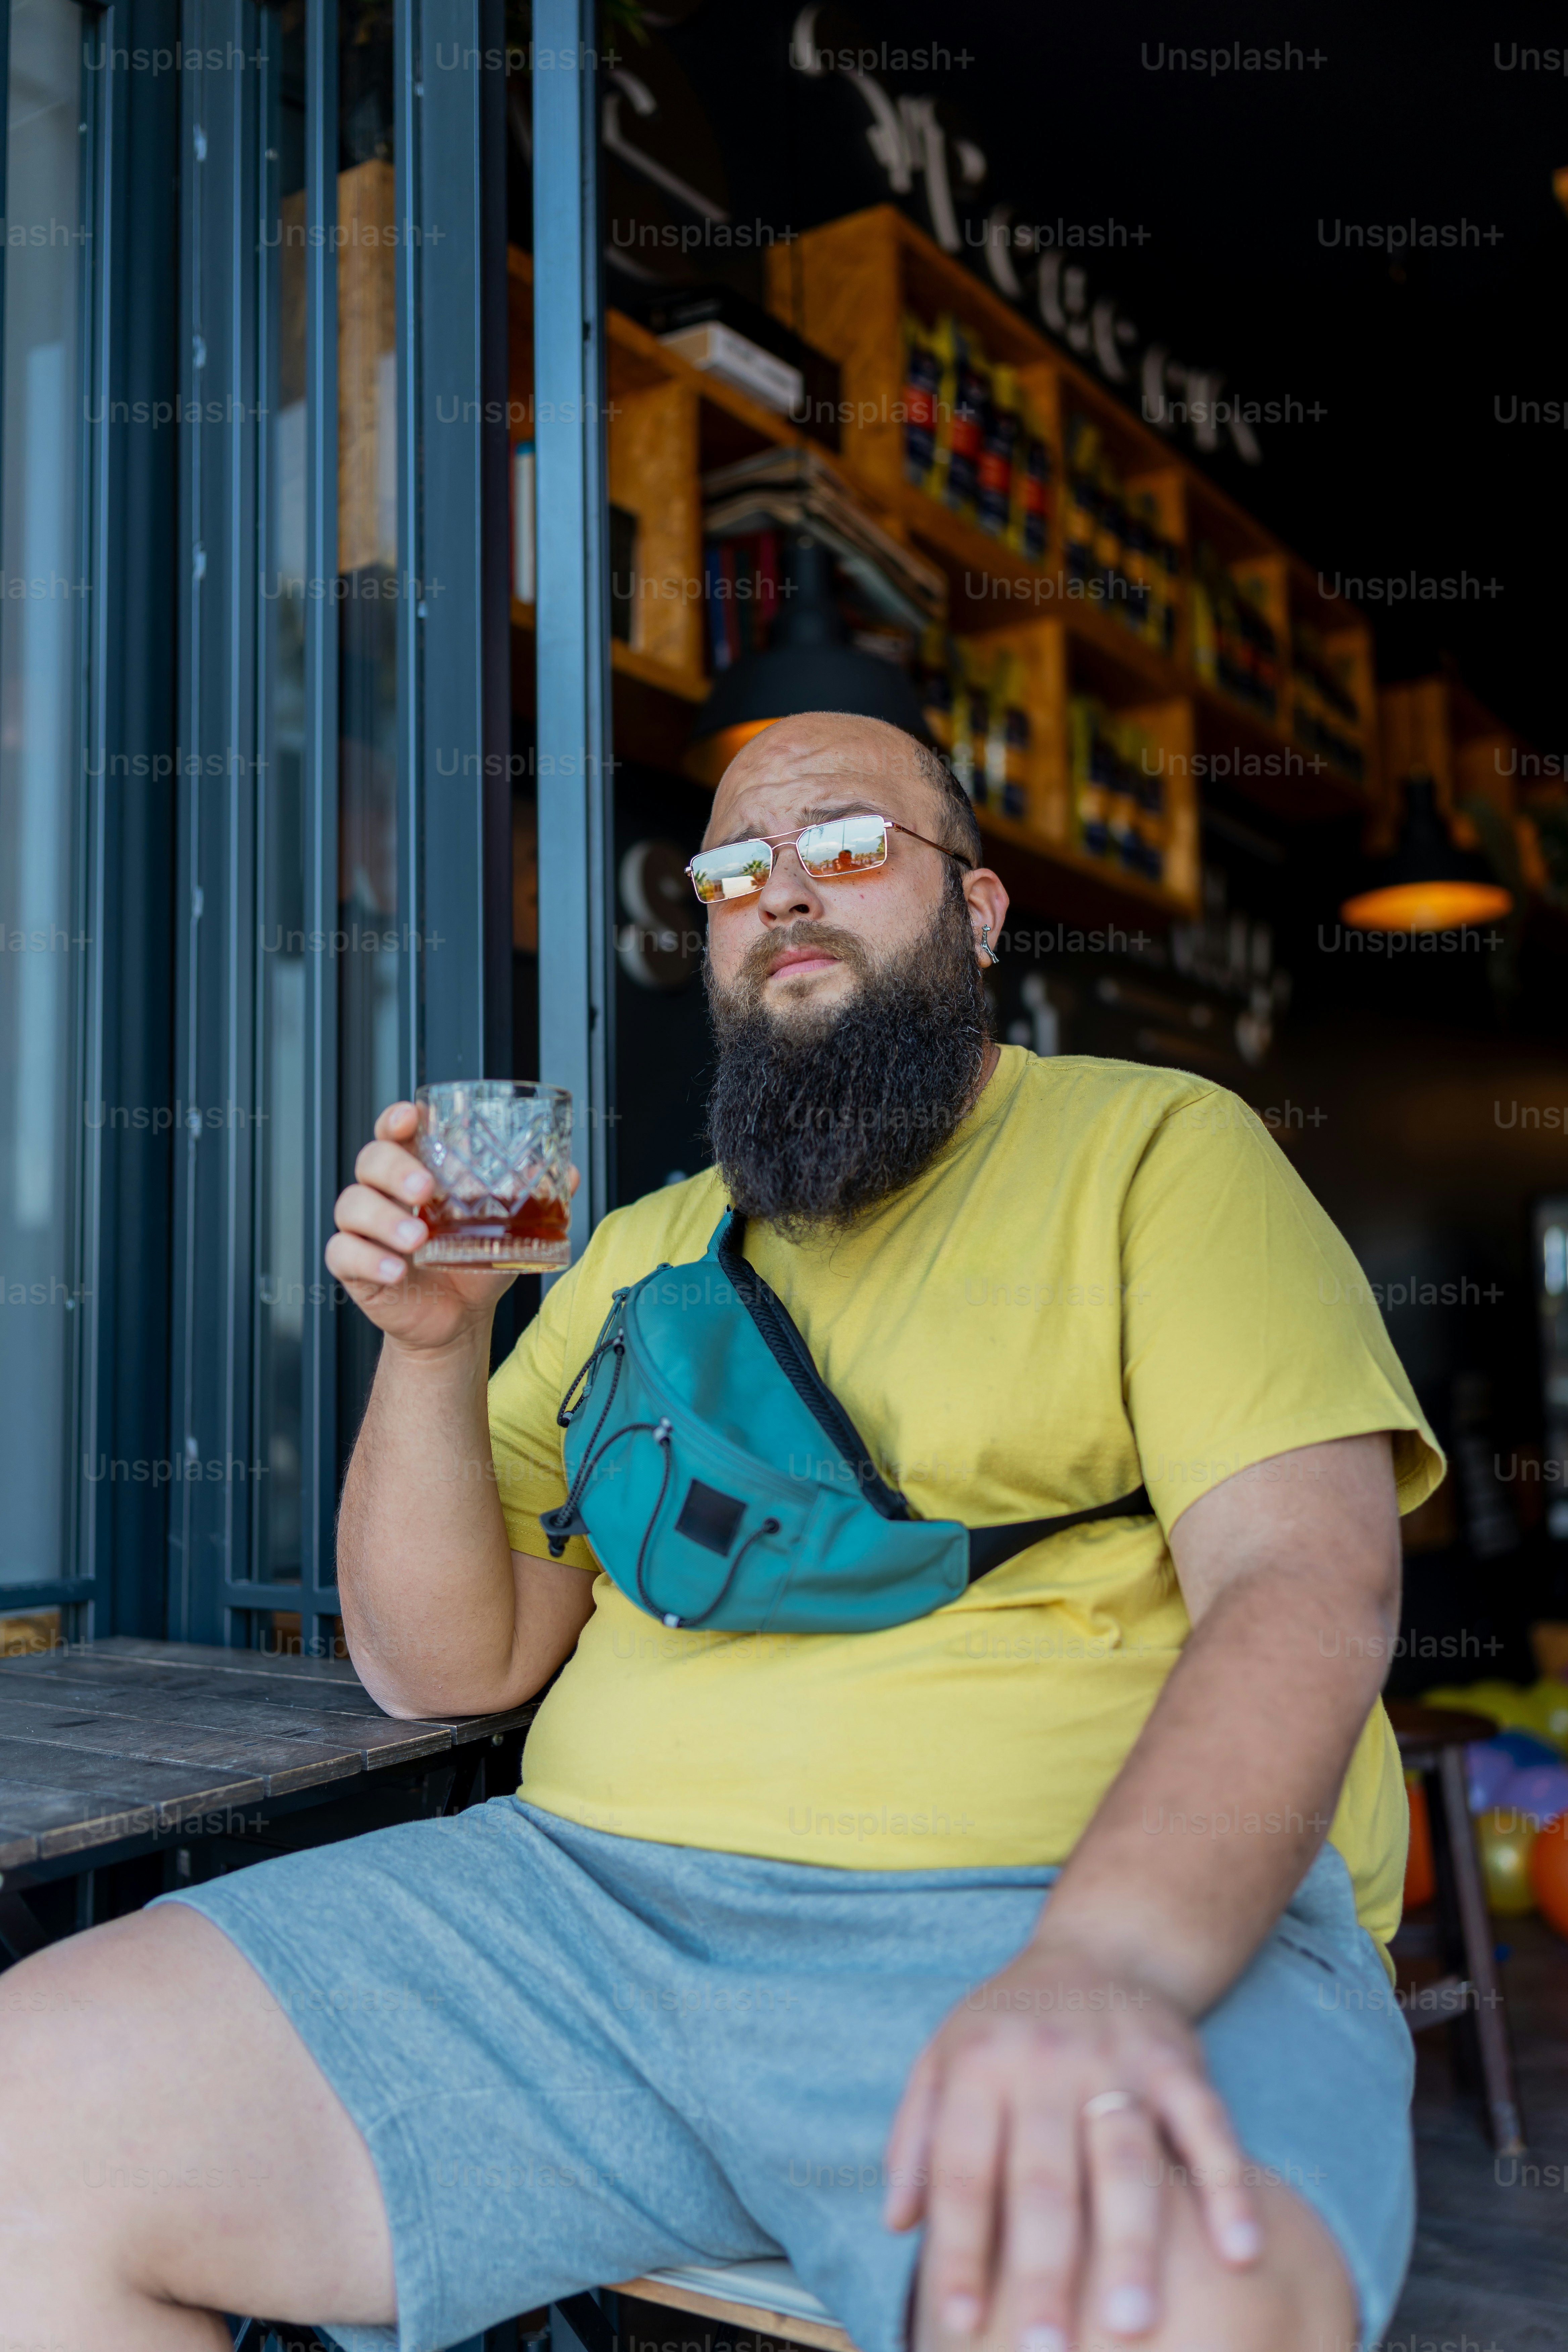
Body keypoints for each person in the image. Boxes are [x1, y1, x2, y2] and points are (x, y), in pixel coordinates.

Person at [0, 712, 1441, 2352]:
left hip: (1060, 1916)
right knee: (23, 2134)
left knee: (1168, 2308)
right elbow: (440, 1668)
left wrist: (1105, 1965)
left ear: (974, 913)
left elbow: (1309, 1584)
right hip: (584, 1930)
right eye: (737, 868)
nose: (785, 894)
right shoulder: (632, 1254)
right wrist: (428, 1345)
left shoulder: (1159, 1152)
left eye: (846, 847)